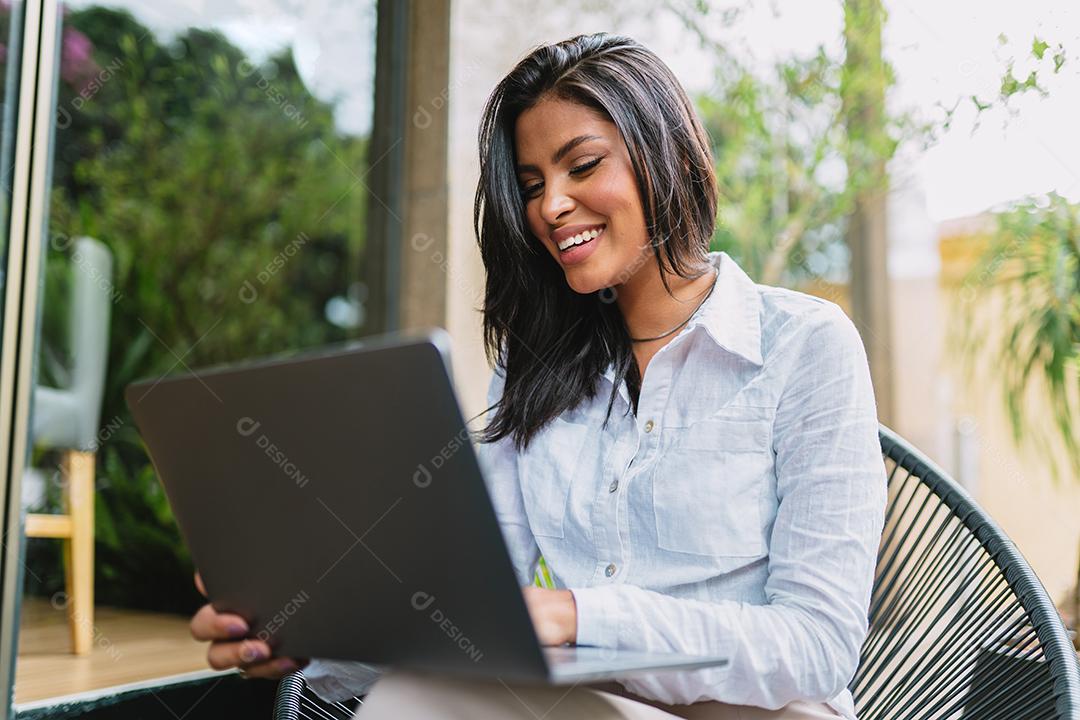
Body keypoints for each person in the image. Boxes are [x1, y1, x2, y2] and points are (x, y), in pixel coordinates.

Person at [189, 32, 887, 719]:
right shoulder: (536, 367)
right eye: (531, 185)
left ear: (666, 155)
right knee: (409, 696)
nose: (550, 206)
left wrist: (579, 615)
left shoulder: (806, 347)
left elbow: (817, 645)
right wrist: (302, 638)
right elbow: (477, 610)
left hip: (753, 711)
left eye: (581, 166)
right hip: (585, 704)